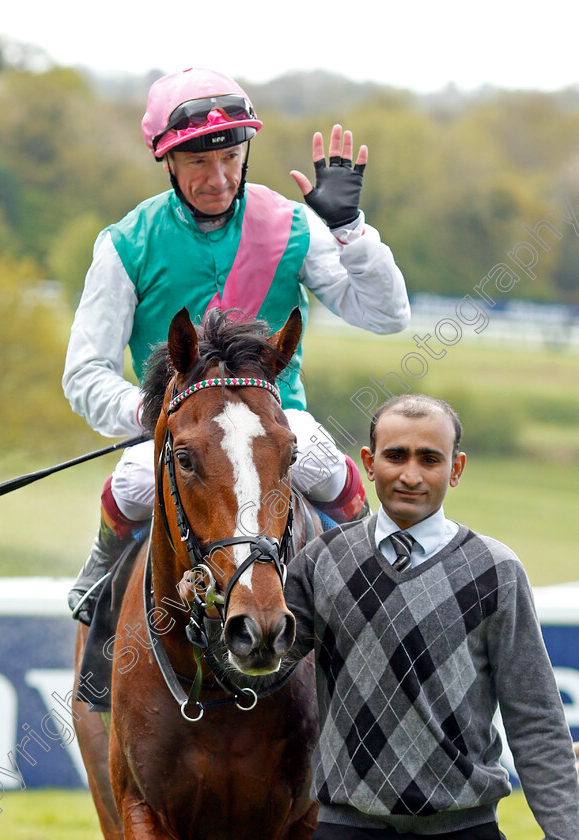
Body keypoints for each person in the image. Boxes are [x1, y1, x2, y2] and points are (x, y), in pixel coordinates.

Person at [62, 67, 410, 625]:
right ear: (168, 161)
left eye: (229, 157)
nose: (219, 178)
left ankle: (373, 601)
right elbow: (83, 375)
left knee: (327, 469)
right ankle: (99, 588)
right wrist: (156, 412)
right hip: (180, 426)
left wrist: (349, 231)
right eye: (199, 160)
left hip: (276, 419)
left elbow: (387, 315)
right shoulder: (125, 244)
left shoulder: (292, 225)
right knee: (130, 483)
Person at [284, 394, 579, 840]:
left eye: (430, 459)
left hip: (464, 828)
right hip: (346, 828)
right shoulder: (320, 561)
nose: (410, 475)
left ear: (456, 469)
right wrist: (209, 612)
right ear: (368, 461)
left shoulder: (496, 571)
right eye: (395, 456)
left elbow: (536, 719)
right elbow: (257, 670)